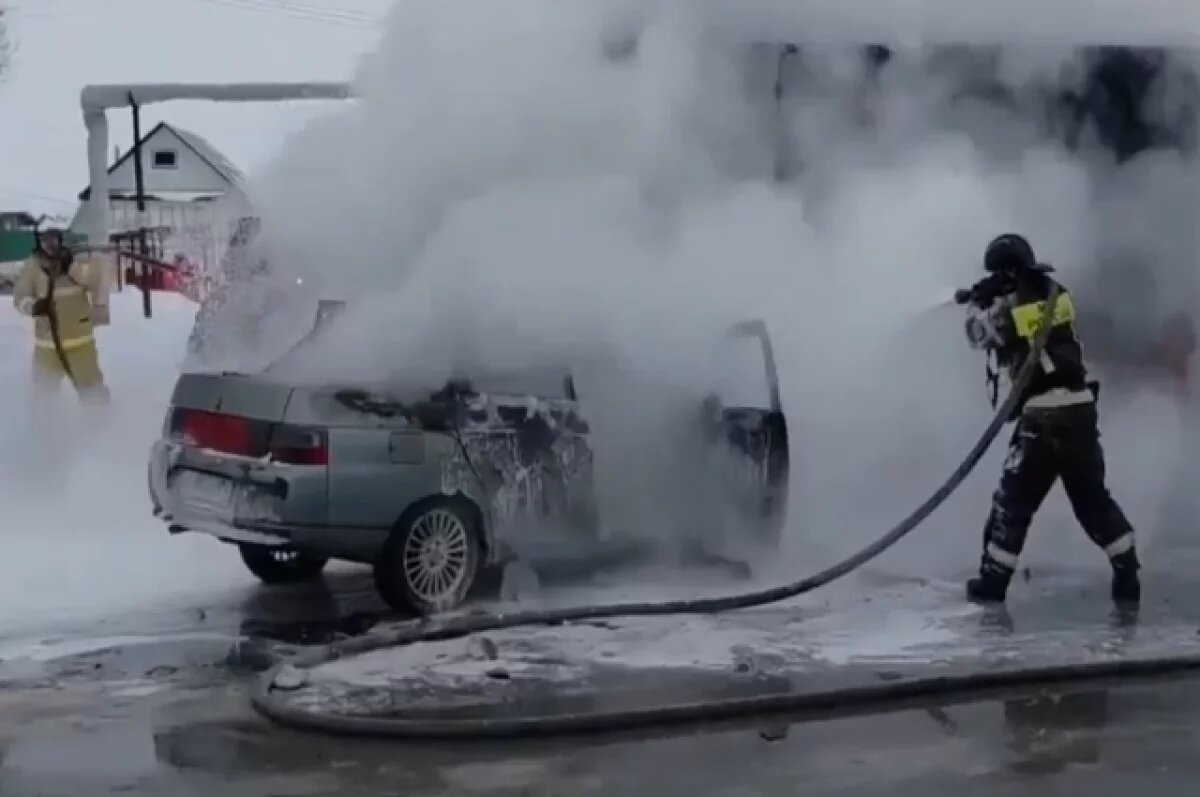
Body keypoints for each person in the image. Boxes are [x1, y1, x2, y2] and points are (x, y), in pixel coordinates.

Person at [956, 233, 1140, 606]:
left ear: (1005, 271)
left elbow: (980, 334)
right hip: (1081, 412)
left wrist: (976, 304)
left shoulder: (1010, 309)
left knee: (1013, 503)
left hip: (1042, 419)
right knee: (1093, 500)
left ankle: (992, 583)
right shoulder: (1058, 294)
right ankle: (1127, 572)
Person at [11, 227, 112, 405]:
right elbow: (20, 297)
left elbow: (96, 279)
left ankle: (101, 428)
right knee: (43, 397)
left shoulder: (76, 262)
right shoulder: (32, 266)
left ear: (60, 240)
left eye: (53, 239)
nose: (50, 245)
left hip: (80, 343)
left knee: (93, 392)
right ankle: (45, 430)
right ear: (38, 242)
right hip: (47, 346)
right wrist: (34, 307)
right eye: (45, 240)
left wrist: (70, 267)